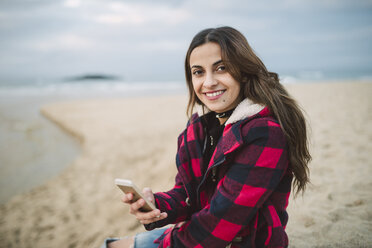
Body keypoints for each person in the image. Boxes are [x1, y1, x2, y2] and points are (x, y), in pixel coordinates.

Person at [103, 26, 311, 248]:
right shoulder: (201, 127)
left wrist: (164, 244)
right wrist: (157, 205)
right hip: (199, 235)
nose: (209, 82)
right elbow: (187, 194)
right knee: (110, 245)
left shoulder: (265, 134)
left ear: (242, 70)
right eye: (198, 72)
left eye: (221, 68)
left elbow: (220, 222)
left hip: (238, 242)